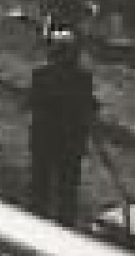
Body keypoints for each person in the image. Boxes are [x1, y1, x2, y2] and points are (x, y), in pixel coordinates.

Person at [29, 31, 98, 226]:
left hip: (66, 142)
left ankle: (62, 226)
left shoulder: (80, 79)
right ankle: (37, 223)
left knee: (65, 191)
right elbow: (35, 103)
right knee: (42, 187)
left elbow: (88, 106)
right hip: (50, 140)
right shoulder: (43, 76)